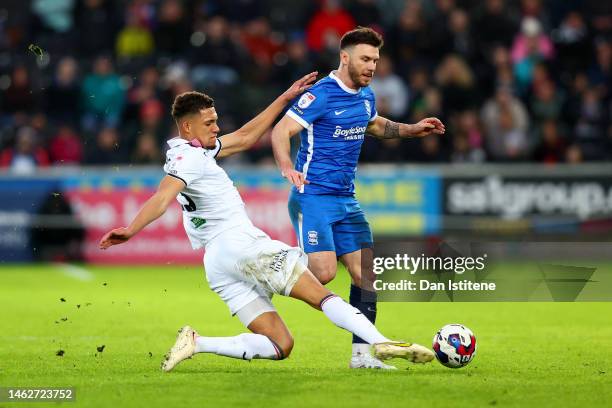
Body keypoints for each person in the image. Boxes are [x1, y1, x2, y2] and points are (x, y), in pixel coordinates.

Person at [98, 72, 434, 371]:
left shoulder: (194, 151)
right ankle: (380, 341)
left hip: (218, 264)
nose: (217, 128)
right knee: (321, 293)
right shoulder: (188, 161)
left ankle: (197, 343)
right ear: (188, 127)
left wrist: (285, 97)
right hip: (240, 247)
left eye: (216, 121)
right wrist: (131, 229)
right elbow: (161, 198)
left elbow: (245, 136)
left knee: (280, 345)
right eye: (210, 123)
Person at [270, 27, 445, 369]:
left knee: (366, 275)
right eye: (365, 59)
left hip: (346, 200)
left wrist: (411, 129)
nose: (372, 66)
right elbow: (280, 130)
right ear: (345, 57)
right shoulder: (321, 94)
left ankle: (362, 357)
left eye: (376, 60)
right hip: (313, 195)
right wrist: (287, 166)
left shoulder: (366, 96)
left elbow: (375, 125)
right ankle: (268, 266)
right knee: (322, 273)